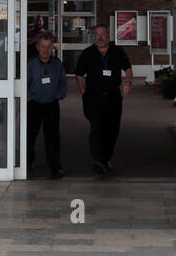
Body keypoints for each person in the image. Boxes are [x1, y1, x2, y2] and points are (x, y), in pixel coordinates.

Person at [74, 23, 133, 174]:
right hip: (94, 97)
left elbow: (127, 68)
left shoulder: (117, 51)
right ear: (94, 37)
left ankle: (105, 159)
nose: (100, 37)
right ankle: (97, 160)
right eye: (97, 34)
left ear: (109, 35)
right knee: (97, 128)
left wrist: (128, 82)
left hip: (113, 97)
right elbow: (79, 74)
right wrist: (83, 92)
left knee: (112, 130)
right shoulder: (88, 53)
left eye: (103, 34)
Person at [26, 31, 67, 178]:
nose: (46, 50)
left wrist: (59, 95)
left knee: (52, 137)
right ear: (37, 47)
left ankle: (55, 167)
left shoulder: (57, 64)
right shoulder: (30, 65)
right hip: (34, 105)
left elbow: (63, 83)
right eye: (43, 46)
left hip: (51, 105)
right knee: (30, 135)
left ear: (52, 48)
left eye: (49, 47)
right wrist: (30, 98)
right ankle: (27, 162)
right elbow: (25, 84)